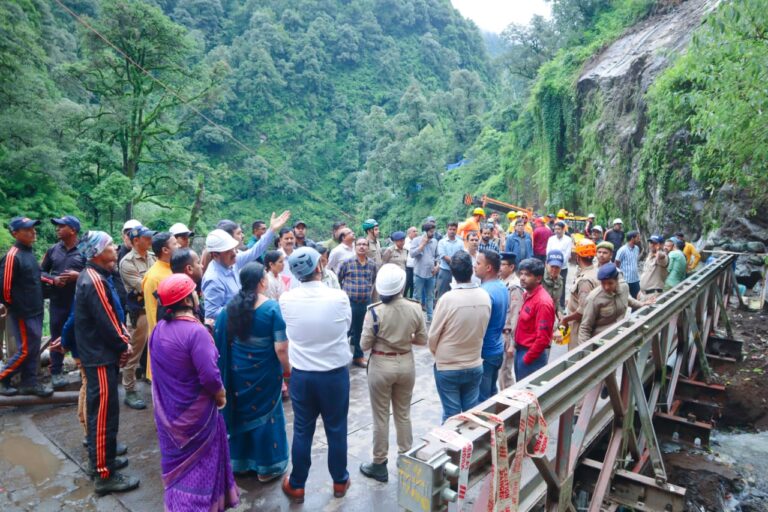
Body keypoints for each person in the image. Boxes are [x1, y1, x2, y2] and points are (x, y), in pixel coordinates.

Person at [151, 274, 239, 511]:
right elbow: (210, 376)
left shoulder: (158, 330)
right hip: (197, 418)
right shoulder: (196, 333)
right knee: (202, 468)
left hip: (169, 415)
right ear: (188, 300)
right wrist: (221, 395)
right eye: (194, 292)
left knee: (178, 470)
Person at [279, 247, 353, 503]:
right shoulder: (339, 297)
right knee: (336, 429)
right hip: (334, 376)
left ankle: (297, 484)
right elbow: (347, 327)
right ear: (319, 267)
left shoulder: (286, 300)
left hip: (303, 377)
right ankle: (340, 481)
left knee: (302, 430)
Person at [74, 231, 139, 494]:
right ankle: (103, 474)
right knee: (103, 415)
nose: (114, 248)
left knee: (103, 412)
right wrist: (124, 345)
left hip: (99, 354)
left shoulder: (96, 276)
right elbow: (109, 321)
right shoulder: (94, 281)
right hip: (99, 357)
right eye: (111, 244)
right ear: (99, 252)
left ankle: (103, 460)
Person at [213, 263, 290, 480]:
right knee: (267, 418)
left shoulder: (230, 308)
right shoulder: (272, 308)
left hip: (237, 374)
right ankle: (267, 468)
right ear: (262, 282)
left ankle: (240, 464)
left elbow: (220, 341)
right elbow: (281, 348)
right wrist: (288, 373)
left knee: (241, 413)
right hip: (265, 374)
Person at [358, 264, 427, 482]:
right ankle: (406, 457)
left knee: (380, 417)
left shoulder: (374, 311)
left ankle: (379, 464)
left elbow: (364, 345)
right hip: (406, 362)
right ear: (401, 286)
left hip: (381, 364)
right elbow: (423, 340)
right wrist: (404, 339)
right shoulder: (415, 308)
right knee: (403, 414)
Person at [429, 251, 491, 422]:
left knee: (452, 416)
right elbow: (483, 329)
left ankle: (452, 449)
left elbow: (432, 337)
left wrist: (440, 355)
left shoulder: (447, 299)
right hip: (474, 363)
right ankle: (472, 447)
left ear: (452, 272)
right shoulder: (484, 296)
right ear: (471, 270)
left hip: (448, 367)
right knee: (470, 416)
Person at [202, 211, 290, 322]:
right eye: (229, 251)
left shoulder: (232, 261)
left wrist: (271, 230)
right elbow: (211, 313)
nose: (234, 253)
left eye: (234, 248)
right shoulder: (213, 278)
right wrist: (241, 305)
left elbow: (254, 251)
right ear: (215, 255)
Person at [0, 217, 53, 397]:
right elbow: (4, 287)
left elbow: (37, 275)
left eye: (33, 228)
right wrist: (12, 307)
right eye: (27, 229)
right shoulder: (12, 256)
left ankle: (30, 382)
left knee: (33, 347)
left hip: (36, 309)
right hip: (23, 312)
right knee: (26, 350)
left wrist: (53, 280)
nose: (33, 232)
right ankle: (3, 378)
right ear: (15, 233)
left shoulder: (28, 252)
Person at [42, 215, 85, 389]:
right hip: (58, 302)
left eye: (61, 226)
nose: (57, 229)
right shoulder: (53, 250)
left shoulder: (85, 250)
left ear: (73, 230)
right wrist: (54, 280)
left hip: (80, 303)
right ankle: (56, 372)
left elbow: (96, 273)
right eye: (57, 226)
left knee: (81, 334)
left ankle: (84, 370)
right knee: (56, 335)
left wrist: (78, 276)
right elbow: (40, 272)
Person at [118, 226, 156, 408]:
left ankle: (153, 381)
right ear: (135, 241)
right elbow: (145, 287)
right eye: (146, 237)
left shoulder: (153, 257)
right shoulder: (127, 262)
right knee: (133, 353)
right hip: (139, 314)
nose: (150, 240)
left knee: (155, 349)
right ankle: (130, 390)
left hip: (155, 311)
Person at [579, 263, 650, 344]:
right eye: (603, 283)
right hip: (601, 343)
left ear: (617, 280)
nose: (606, 287)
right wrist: (586, 353)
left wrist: (642, 304)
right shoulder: (594, 298)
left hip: (620, 337)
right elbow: (585, 328)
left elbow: (628, 299)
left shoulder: (624, 287)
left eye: (610, 283)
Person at [142, 232, 179, 382]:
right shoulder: (154, 276)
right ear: (165, 250)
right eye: (175, 244)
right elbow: (153, 314)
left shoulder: (174, 268)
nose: (179, 246)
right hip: (165, 339)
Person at [474, 250, 509, 402]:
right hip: (497, 348)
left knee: (482, 400)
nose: (474, 266)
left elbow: (478, 325)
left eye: (478, 263)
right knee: (491, 394)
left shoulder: (484, 293)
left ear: (488, 268)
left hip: (486, 353)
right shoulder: (502, 286)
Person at [514, 258, 556, 381]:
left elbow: (543, 338)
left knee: (527, 396)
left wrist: (526, 359)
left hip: (532, 357)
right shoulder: (527, 294)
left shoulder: (542, 302)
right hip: (522, 351)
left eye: (527, 275)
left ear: (538, 279)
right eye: (521, 273)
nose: (522, 277)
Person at [338, 238, 377, 368]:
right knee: (346, 330)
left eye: (364, 244)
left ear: (368, 247)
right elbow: (339, 279)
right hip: (349, 303)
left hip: (365, 302)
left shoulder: (372, 264)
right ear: (355, 247)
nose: (362, 247)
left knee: (361, 330)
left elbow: (373, 280)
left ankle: (358, 357)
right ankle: (339, 358)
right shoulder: (347, 263)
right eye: (359, 244)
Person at [560, 239, 599, 349]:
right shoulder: (595, 271)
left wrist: (565, 319)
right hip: (589, 325)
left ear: (578, 256)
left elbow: (583, 311)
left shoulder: (585, 281)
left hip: (579, 327)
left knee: (576, 357)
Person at [499, 253, 524, 389]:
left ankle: (508, 407)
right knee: (501, 373)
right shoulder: (503, 282)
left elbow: (516, 316)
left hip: (508, 334)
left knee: (505, 373)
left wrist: (512, 344)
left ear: (511, 267)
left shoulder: (514, 287)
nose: (500, 267)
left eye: (503, 265)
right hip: (501, 333)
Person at [410, 222, 439, 322]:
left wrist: (437, 266)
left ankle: (430, 318)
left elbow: (437, 256)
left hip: (431, 274)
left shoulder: (435, 241)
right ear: (425, 232)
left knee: (430, 297)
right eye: (431, 231)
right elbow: (412, 254)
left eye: (433, 231)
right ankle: (415, 318)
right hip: (419, 273)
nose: (433, 233)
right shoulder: (416, 240)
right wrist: (422, 245)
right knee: (417, 296)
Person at [546, 221, 573, 308]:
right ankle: (549, 303)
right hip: (551, 266)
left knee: (561, 285)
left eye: (559, 229)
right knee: (549, 284)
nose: (557, 231)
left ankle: (561, 306)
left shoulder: (568, 240)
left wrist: (559, 265)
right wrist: (551, 264)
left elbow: (567, 253)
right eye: (555, 229)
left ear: (563, 229)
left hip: (562, 267)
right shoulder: (551, 239)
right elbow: (548, 252)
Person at [435, 222, 462, 300]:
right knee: (441, 295)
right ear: (447, 229)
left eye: (454, 229)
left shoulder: (460, 242)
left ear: (457, 230)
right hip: (445, 271)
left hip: (457, 272)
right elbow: (443, 255)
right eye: (450, 229)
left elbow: (461, 255)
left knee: (456, 295)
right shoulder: (442, 242)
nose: (452, 231)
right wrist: (455, 262)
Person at [615, 230, 642, 298]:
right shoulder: (622, 250)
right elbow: (616, 264)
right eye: (638, 237)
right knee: (624, 299)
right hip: (625, 280)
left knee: (637, 299)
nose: (639, 239)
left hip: (635, 279)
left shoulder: (636, 248)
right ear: (632, 238)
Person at [542, 251, 565, 315]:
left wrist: (560, 312)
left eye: (557, 267)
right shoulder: (539, 279)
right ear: (546, 264)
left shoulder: (560, 281)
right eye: (552, 266)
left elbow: (556, 302)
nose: (554, 270)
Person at [404, 226, 418, 298]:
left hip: (416, 267)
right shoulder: (405, 242)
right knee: (406, 284)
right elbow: (412, 250)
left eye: (416, 231)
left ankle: (412, 301)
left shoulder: (417, 241)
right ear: (409, 233)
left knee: (414, 285)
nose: (416, 233)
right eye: (414, 231)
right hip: (407, 267)